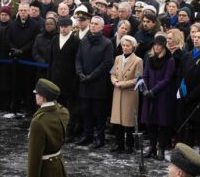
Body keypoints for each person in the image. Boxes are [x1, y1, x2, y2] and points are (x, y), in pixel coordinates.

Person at [75, 16, 114, 148]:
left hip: (98, 83)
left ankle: (100, 138)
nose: (93, 26)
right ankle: (87, 135)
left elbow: (106, 64)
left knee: (99, 112)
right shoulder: (84, 41)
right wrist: (80, 73)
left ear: (102, 27)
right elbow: (78, 58)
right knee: (86, 110)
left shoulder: (107, 43)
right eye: (91, 23)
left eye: (96, 24)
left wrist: (91, 76)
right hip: (84, 82)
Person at [141, 35, 176, 160]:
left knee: (162, 123)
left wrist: (153, 91)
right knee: (150, 123)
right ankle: (152, 147)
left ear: (163, 47)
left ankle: (161, 148)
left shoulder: (169, 60)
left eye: (159, 45)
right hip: (149, 95)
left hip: (162, 95)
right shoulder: (150, 58)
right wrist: (145, 89)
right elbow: (145, 75)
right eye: (155, 45)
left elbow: (167, 79)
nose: (156, 47)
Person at [109, 35, 143, 153]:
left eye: (128, 46)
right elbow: (112, 73)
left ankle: (129, 145)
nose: (125, 48)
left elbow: (138, 79)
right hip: (118, 91)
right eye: (123, 45)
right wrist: (114, 81)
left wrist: (122, 83)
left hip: (129, 93)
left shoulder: (138, 60)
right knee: (118, 120)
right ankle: (119, 144)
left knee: (128, 121)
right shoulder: (118, 58)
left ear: (133, 47)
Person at [48, 17, 79, 140]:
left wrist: (74, 82)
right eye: (61, 26)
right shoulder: (55, 39)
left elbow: (76, 63)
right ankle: (55, 130)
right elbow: (51, 60)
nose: (63, 29)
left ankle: (68, 131)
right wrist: (49, 77)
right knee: (55, 107)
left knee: (68, 108)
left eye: (66, 26)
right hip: (55, 79)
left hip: (69, 80)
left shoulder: (76, 41)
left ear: (71, 27)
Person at [181, 28, 200, 156]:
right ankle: (186, 158)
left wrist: (192, 96)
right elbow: (182, 76)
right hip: (187, 98)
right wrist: (184, 94)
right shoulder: (187, 56)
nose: (196, 39)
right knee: (188, 128)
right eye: (194, 37)